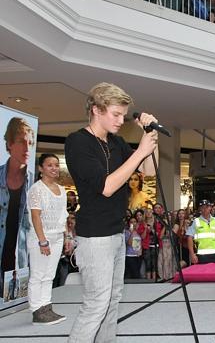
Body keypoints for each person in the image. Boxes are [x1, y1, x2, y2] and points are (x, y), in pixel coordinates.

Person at [64, 82, 158, 342]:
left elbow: (148, 171)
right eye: (115, 114)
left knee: (112, 301)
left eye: (122, 115)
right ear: (96, 110)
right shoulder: (77, 142)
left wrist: (149, 138)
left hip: (116, 233)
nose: (120, 120)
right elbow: (106, 187)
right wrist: (139, 151)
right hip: (95, 236)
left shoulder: (116, 143)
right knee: (96, 304)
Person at [27, 153, 71, 325]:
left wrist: (67, 236)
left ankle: (46, 307)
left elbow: (64, 216)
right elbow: (36, 217)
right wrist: (42, 241)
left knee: (49, 275)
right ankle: (36, 310)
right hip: (40, 238)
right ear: (40, 169)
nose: (54, 168)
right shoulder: (36, 189)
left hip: (57, 236)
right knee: (38, 274)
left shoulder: (62, 190)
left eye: (56, 165)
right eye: (49, 165)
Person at [1, 117, 34, 294]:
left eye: (30, 142)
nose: (27, 148)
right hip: (2, 251)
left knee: (14, 307)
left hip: (20, 258)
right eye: (21, 141)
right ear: (10, 144)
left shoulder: (35, 184)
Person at [186, 200, 215, 264]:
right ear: (200, 209)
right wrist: (192, 254)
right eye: (202, 207)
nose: (204, 209)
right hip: (200, 255)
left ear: (210, 208)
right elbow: (189, 238)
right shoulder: (195, 221)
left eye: (206, 207)